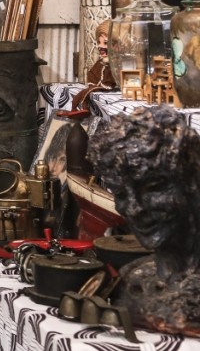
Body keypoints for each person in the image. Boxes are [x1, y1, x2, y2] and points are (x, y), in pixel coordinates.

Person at [88, 104, 200, 335]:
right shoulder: (136, 277)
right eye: (120, 193)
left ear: (191, 181)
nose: (135, 208)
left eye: (153, 188)